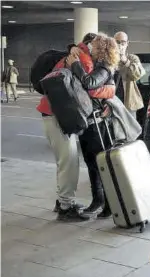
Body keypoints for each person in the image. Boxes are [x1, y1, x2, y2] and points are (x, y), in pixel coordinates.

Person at [37, 32, 115, 221]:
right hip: (59, 117)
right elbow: (87, 90)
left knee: (64, 162)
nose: (94, 49)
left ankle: (64, 201)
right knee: (69, 163)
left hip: (53, 113)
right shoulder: (83, 60)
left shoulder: (73, 54)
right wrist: (109, 92)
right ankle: (65, 208)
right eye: (94, 45)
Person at [66, 33, 120, 219]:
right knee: (92, 163)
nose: (92, 49)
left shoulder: (104, 68)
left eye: (95, 47)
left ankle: (108, 203)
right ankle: (99, 200)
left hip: (98, 125)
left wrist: (75, 65)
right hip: (91, 122)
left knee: (100, 164)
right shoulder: (99, 65)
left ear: (103, 50)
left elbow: (89, 83)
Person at [113, 31, 146, 122]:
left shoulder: (132, 58)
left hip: (128, 101)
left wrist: (125, 60)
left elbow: (137, 75)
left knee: (130, 130)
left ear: (127, 43)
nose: (120, 45)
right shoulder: (109, 58)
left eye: (123, 42)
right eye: (117, 42)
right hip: (112, 101)